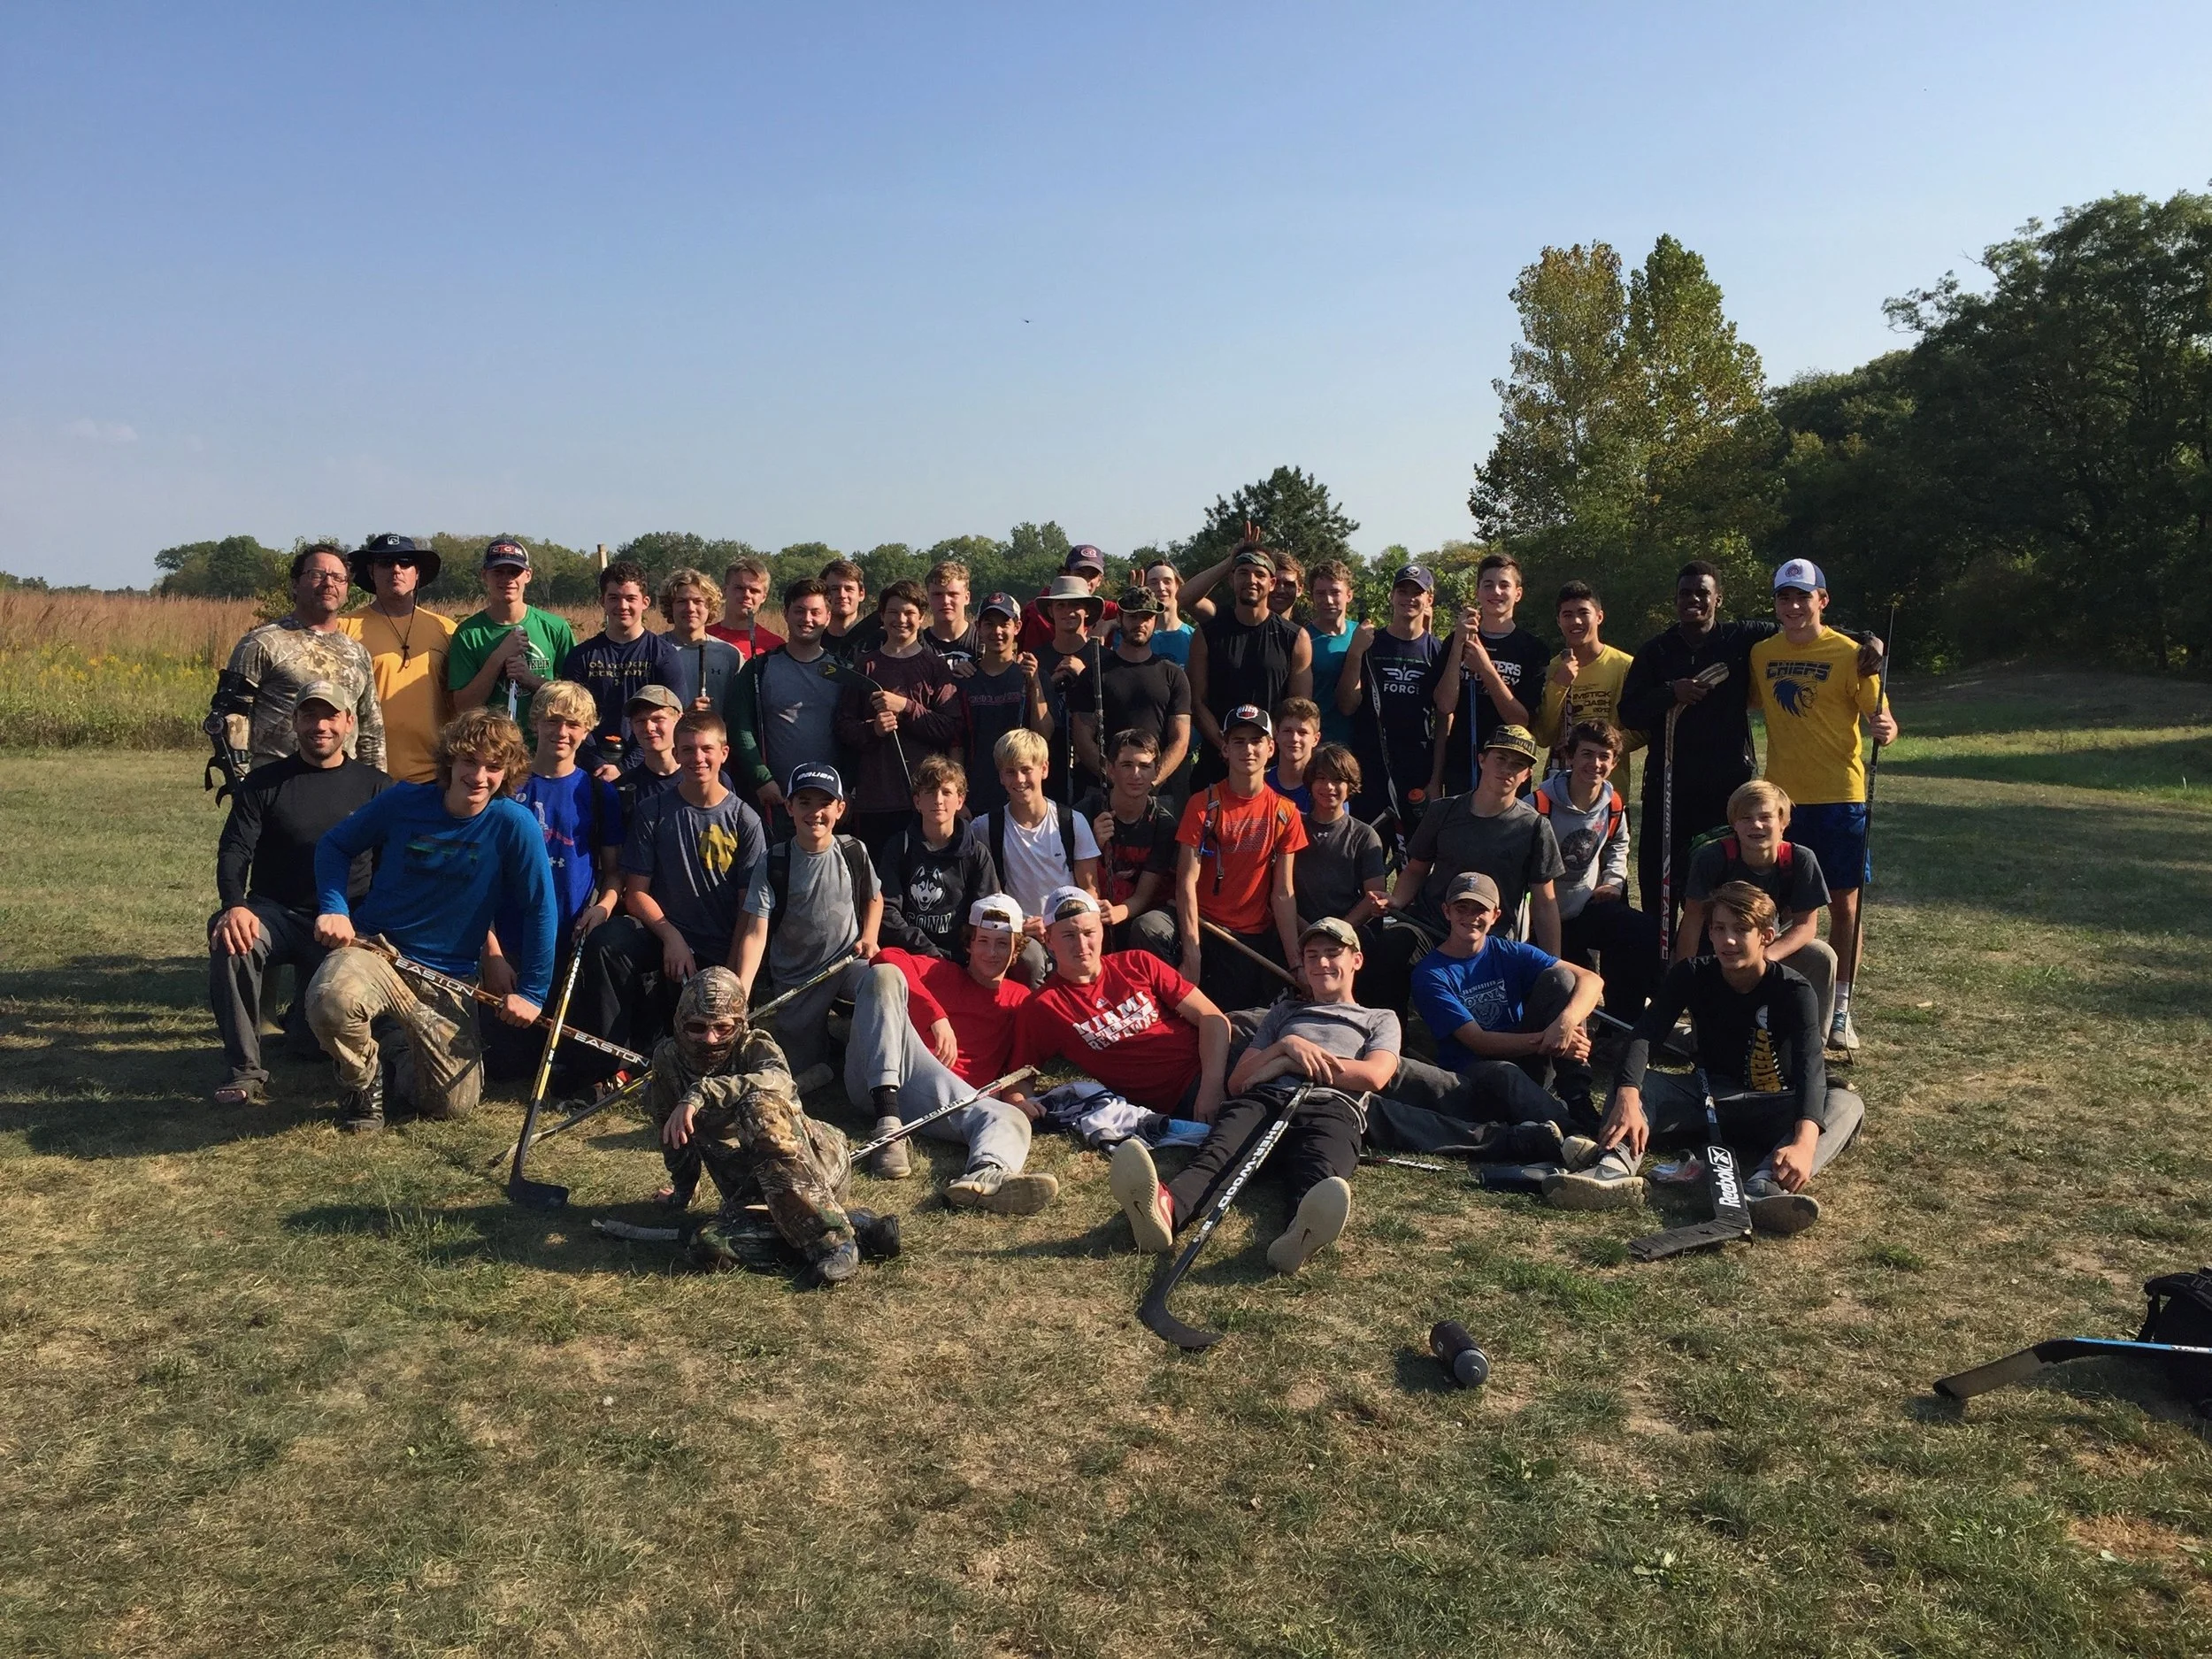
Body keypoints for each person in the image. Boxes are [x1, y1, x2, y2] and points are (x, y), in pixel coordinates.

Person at [1548, 881, 1864, 1232]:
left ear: (1767, 936)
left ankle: (1764, 1186)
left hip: (1773, 1103)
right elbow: (1644, 1037)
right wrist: (1628, 1093)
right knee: (1640, 1085)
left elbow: (1810, 1067)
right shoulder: (1692, 974)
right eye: (1719, 929)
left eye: (1741, 929)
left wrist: (1804, 1142)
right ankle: (1614, 1169)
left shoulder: (1794, 990)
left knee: (1846, 1104)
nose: (1728, 940)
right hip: (1707, 1096)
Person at [304, 709, 556, 1133]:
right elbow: (335, 846)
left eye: (494, 767)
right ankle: (361, 1086)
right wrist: (334, 907)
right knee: (332, 999)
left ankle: (394, 1047)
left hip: (448, 976)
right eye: (469, 761)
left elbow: (539, 908)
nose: (479, 776)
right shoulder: (405, 801)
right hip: (376, 951)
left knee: (450, 1104)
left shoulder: (515, 825)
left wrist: (532, 992)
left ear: (508, 773)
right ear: (450, 761)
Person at [1617, 560, 1885, 956]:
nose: (1693, 600)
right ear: (1674, 600)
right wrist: (1672, 691)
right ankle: (1666, 980)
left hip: (1729, 788)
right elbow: (1630, 712)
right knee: (1664, 888)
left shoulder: (1741, 638)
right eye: (1684, 594)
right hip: (1670, 785)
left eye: (1702, 593)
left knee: (1728, 889)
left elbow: (1803, 628)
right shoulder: (1656, 651)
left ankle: (1726, 973)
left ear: (1717, 599)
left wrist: (1868, 640)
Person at [1108, 917, 1395, 1274]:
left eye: (1333, 953)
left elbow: (1374, 1075)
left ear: (1356, 960)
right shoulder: (1285, 1012)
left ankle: (1300, 1234)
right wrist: (1287, 1045)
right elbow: (1240, 1080)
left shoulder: (1379, 1018)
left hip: (1333, 1108)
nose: (1321, 963)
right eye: (1312, 955)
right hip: (1263, 1100)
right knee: (1215, 1158)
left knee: (1322, 1173)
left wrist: (1286, 1062)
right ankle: (1164, 1212)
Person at [208, 685, 393, 1104]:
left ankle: (305, 1029)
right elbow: (235, 849)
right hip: (274, 915)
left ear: (349, 722)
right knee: (232, 940)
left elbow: (389, 867)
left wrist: (368, 929)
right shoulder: (264, 783)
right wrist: (234, 906)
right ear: (294, 723)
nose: (320, 726)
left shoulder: (377, 787)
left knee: (310, 1049)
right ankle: (244, 1070)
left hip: (345, 925)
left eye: (331, 717)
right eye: (309, 716)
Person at [649, 968, 892, 1286]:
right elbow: (674, 1134)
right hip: (752, 1189)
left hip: (814, 1167)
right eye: (697, 1027)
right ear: (680, 1023)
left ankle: (834, 1243)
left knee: (758, 1106)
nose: (710, 1039)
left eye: (723, 1028)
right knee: (706, 1245)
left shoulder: (756, 1045)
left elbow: (778, 1081)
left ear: (740, 1024)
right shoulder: (668, 1059)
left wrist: (705, 1091)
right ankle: (857, 1228)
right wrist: (683, 1191)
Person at [1752, 558, 1900, 1052]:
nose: (1794, 607)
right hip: (1782, 802)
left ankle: (1840, 1009)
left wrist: (1886, 730)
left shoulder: (1853, 655)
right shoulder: (1761, 653)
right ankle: (1780, 998)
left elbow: (1885, 721)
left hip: (1841, 797)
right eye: (1784, 598)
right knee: (1779, 904)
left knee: (1843, 905)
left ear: (1822, 599)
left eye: (1803, 597)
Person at [572, 710, 768, 1079]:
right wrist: (670, 936)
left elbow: (749, 909)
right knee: (609, 941)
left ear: (724, 752)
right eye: (688, 750)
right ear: (676, 754)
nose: (698, 758)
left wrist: (732, 977)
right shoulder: (654, 810)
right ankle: (606, 1064)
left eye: (707, 749)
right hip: (664, 937)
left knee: (706, 1048)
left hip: (717, 947)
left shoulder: (745, 820)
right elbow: (635, 893)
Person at [857, 895, 1056, 1211]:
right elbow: (887, 956)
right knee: (885, 976)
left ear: (1016, 950)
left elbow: (1022, 1062)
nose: (991, 953)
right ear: (969, 944)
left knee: (1009, 1117)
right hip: (889, 1074)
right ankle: (888, 1126)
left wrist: (1018, 1098)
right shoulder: (941, 972)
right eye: (984, 941)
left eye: (1002, 944)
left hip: (950, 1100)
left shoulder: (1021, 1000)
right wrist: (934, 1015)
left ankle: (986, 1177)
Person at [1371, 724, 1564, 1018]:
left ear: (1527, 775)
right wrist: (1397, 901)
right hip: (1431, 925)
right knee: (1393, 945)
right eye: (1500, 759)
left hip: (1488, 937)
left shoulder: (1535, 827)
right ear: (1482, 760)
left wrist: (1552, 964)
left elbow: (1545, 903)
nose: (1508, 770)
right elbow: (1415, 869)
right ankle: (1391, 1036)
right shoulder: (1444, 811)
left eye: (1518, 765)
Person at [733, 761, 893, 1082]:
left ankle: (875, 1071)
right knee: (802, 1068)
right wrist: (741, 993)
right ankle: (825, 1049)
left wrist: (871, 936)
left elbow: (874, 898)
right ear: (789, 807)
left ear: (841, 809)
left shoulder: (854, 850)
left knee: (884, 979)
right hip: (797, 978)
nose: (815, 813)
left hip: (846, 964)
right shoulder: (774, 861)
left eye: (825, 804)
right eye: (805, 802)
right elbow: (755, 932)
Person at [1012, 887, 1231, 1120]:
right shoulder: (1044, 1005)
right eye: (1069, 935)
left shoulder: (1137, 962)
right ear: (1048, 940)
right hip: (1183, 1092)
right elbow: (1020, 1076)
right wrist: (1018, 1102)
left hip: (1216, 1058)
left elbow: (1212, 1018)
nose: (1081, 945)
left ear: (1102, 931)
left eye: (1089, 932)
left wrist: (1211, 1088)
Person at [1410, 871, 1602, 1118]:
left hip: (1530, 1055)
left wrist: (1564, 1026)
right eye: (1462, 908)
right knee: (1505, 1075)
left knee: (1562, 979)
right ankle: (1568, 1124)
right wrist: (1549, 1040)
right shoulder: (1430, 974)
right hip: (1474, 1069)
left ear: (1495, 916)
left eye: (1480, 910)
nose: (1471, 917)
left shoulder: (1511, 952)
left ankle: (1578, 1098)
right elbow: (1479, 1041)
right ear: (1447, 911)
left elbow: (1591, 979)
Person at [205, 543, 384, 789]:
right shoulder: (262, 643)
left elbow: (371, 732)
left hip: (344, 790)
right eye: (317, 575)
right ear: (295, 584)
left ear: (347, 589)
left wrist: (377, 791)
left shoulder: (357, 654)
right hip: (275, 786)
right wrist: (244, 786)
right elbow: (229, 717)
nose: (328, 583)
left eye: (338, 578)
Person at [1174, 704, 1308, 1014]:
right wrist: (1192, 952)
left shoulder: (1285, 812)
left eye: (1256, 740)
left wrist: (1296, 964)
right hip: (1204, 926)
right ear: (1224, 748)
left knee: (1236, 1014)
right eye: (1238, 741)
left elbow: (1284, 893)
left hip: (1249, 938)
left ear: (1271, 748)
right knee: (1152, 929)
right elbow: (1185, 881)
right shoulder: (1202, 804)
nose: (1248, 749)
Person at [1676, 779, 1837, 1033]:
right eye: (1746, 818)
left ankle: (1811, 1047)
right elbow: (1693, 919)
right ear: (1734, 824)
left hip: (1769, 947)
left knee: (1822, 956)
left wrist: (1764, 958)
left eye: (1765, 817)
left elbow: (1806, 926)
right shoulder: (1712, 857)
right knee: (1717, 1048)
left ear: (1783, 823)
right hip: (1720, 949)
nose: (1756, 825)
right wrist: (1683, 978)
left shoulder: (1800, 859)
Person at [831, 579, 963, 858]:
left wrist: (906, 707)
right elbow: (843, 728)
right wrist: (874, 730)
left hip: (924, 801)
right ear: (882, 616)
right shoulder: (866, 665)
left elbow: (949, 728)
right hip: (874, 801)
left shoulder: (935, 668)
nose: (901, 620)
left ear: (921, 618)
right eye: (893, 613)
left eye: (909, 614)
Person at [1533, 719, 1655, 1021]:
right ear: (1570, 757)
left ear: (1614, 763)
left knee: (1638, 931)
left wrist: (1614, 880)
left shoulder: (1612, 803)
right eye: (1587, 754)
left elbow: (1618, 844)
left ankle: (1623, 1025)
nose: (1595, 763)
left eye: (1604, 757)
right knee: (1567, 987)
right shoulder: (1538, 804)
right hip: (1541, 917)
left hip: (1585, 905)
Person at [974, 728, 1102, 987]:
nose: (1019, 779)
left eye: (1026, 769)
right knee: (1030, 960)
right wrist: (1018, 924)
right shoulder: (985, 827)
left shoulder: (1071, 822)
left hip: (1068, 925)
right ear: (1000, 776)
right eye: (1010, 772)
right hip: (1020, 930)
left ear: (1044, 769)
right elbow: (983, 893)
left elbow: (1090, 890)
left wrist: (1065, 926)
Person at [1336, 563, 1449, 834]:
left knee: (1414, 860)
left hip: (1416, 770)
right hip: (1369, 768)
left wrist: (1436, 779)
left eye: (1417, 592)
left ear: (1429, 599)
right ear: (1391, 596)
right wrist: (1354, 653)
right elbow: (1347, 704)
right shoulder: (1370, 643)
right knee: (1365, 859)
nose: (1409, 598)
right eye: (1402, 590)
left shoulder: (1437, 650)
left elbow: (1445, 717)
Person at [1188, 547, 1311, 788]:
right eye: (1243, 573)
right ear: (1232, 579)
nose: (1251, 580)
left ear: (1272, 582)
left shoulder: (1295, 637)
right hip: (1216, 761)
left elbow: (1299, 709)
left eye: (1259, 574)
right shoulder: (1208, 633)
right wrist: (1226, 744)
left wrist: (1261, 749)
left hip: (1272, 766)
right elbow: (1196, 701)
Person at [729, 577, 841, 832]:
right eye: (799, 611)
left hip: (827, 801)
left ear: (827, 616)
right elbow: (739, 727)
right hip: (776, 798)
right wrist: (761, 779)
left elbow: (854, 735)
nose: (807, 619)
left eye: (815, 612)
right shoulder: (760, 668)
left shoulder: (842, 671)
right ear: (786, 614)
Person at [1434, 551, 1550, 797]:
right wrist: (1458, 646)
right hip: (1463, 765)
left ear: (1518, 593)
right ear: (1478, 592)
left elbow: (1520, 719)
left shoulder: (1533, 649)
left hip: (1511, 766)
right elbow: (1445, 705)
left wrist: (1486, 669)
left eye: (1504, 585)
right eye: (1488, 585)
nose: (1496, 592)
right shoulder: (1455, 642)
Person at [341, 533, 454, 784]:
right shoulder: (345, 628)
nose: (396, 570)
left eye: (405, 562)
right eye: (385, 563)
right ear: (371, 571)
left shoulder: (445, 630)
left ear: (417, 573)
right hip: (366, 772)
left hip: (434, 774)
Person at [562, 558, 685, 780]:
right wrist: (598, 764)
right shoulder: (581, 656)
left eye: (631, 598)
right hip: (590, 770)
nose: (623, 606)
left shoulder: (663, 655)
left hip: (648, 769)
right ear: (602, 601)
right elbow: (570, 716)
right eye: (614, 598)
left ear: (645, 602)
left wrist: (626, 767)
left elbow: (673, 718)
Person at [875, 755, 1002, 964]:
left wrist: (962, 958)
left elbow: (987, 913)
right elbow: (887, 911)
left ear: (960, 800)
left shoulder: (976, 853)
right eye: (930, 792)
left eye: (947, 792)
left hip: (962, 960)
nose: (938, 800)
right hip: (910, 955)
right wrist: (927, 950)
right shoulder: (899, 847)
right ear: (917, 801)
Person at [1077, 727, 1181, 963]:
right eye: (1126, 765)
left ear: (1156, 771)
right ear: (1110, 770)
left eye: (1145, 766)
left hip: (1140, 915)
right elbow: (1072, 879)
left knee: (1145, 927)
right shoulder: (1085, 813)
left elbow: (1144, 895)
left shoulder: (1163, 823)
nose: (1136, 774)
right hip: (1093, 907)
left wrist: (1117, 912)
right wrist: (1092, 844)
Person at [448, 539, 577, 726]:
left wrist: (530, 680)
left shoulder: (555, 628)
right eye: (498, 572)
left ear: (528, 575)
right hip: (491, 747)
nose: (507, 579)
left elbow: (577, 697)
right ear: (484, 575)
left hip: (544, 746)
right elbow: (464, 707)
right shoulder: (469, 634)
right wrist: (499, 657)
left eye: (514, 572)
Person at [1082, 587, 1192, 788]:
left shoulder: (1174, 674)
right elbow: (1082, 739)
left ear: (1155, 621)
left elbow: (1180, 740)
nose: (1140, 624)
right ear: (1120, 618)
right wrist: (1114, 777)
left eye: (1147, 617)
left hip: (1160, 792)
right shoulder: (1095, 673)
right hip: (1105, 790)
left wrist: (1151, 781)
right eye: (1133, 617)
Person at [1533, 580, 1641, 776]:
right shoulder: (1551, 670)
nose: (1576, 621)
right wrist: (1559, 685)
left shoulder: (1626, 666)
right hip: (1561, 785)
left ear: (1599, 616)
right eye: (1568, 615)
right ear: (1558, 621)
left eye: (1583, 613)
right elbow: (1543, 736)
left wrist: (1601, 748)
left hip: (1610, 787)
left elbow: (1642, 730)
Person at [957, 592, 1047, 819]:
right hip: (975, 797)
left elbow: (1045, 734)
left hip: (1022, 795)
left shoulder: (1033, 675)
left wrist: (1035, 683)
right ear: (978, 627)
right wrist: (958, 796)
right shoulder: (964, 678)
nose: (997, 632)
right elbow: (957, 743)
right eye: (989, 624)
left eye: (1004, 624)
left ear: (1017, 627)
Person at [1297, 744, 1388, 934]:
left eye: (1338, 780)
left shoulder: (1365, 835)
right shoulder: (1294, 827)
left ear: (1350, 786)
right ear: (1311, 782)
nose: (1329, 787)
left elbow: (1374, 895)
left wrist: (1337, 931)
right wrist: (1307, 931)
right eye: (1321, 778)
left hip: (1348, 933)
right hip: (1296, 929)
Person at [1031, 574, 1104, 803]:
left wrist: (1085, 676)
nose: (1068, 611)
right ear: (1051, 611)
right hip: (1047, 772)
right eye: (1061, 605)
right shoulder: (1036, 659)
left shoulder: (1103, 659)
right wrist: (1048, 685)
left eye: (1075, 604)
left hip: (1094, 777)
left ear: (1087, 611)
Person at [659, 566, 743, 716]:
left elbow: (740, 712)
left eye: (698, 601)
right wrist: (684, 715)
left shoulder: (730, 655)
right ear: (670, 606)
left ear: (710, 606)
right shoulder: (656, 650)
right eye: (681, 601)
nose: (690, 608)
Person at [1018, 543, 1120, 653]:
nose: (1086, 581)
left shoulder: (1105, 609)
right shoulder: (1036, 610)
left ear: (1100, 580)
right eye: (1080, 574)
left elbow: (1134, 621)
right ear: (1066, 573)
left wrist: (1109, 624)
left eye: (1092, 576)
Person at [1303, 560, 1360, 748]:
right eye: (1320, 593)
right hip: (1319, 745)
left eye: (1335, 592)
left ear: (1349, 595)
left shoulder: (1362, 634)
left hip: (1359, 744)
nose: (1328, 600)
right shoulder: (1302, 639)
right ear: (1312, 597)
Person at [612, 685, 686, 818]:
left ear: (679, 721)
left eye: (658, 719)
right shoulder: (623, 788)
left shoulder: (706, 779)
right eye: (640, 721)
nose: (649, 727)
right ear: (632, 727)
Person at [708, 557, 783, 660]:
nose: (747, 595)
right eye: (739, 588)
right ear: (725, 590)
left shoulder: (775, 646)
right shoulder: (702, 639)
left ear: (764, 597)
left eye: (754, 591)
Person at [921, 559, 980, 671]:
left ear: (967, 597)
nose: (945, 601)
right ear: (928, 598)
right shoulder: (917, 645)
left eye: (953, 594)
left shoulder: (983, 641)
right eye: (937, 594)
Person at [1265, 697, 1322, 810]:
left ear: (1316, 739)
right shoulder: (1260, 783)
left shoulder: (1326, 787)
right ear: (1276, 734)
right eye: (1287, 731)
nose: (1294, 738)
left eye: (1302, 732)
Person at [1142, 557, 1196, 666]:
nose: (1161, 588)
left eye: (1167, 581)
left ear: (1178, 586)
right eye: (1154, 583)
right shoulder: (1136, 637)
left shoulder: (1194, 637)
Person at [818, 557, 872, 663]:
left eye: (849, 589)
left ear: (861, 594)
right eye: (834, 589)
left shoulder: (880, 642)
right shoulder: (813, 642)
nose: (842, 595)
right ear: (823, 595)